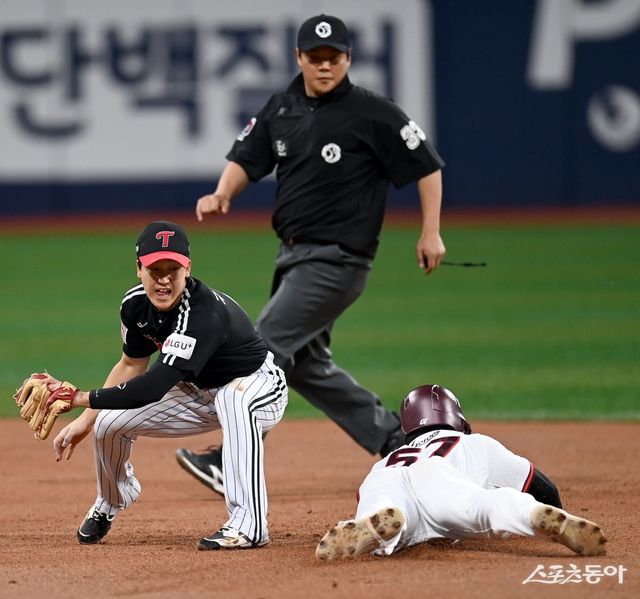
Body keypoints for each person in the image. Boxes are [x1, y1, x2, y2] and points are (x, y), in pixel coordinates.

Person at [176, 13, 446, 495]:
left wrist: (431, 232)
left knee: (260, 348)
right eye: (315, 57)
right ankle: (396, 440)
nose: (325, 65)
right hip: (293, 258)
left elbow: (426, 165)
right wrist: (222, 193)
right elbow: (247, 156)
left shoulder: (373, 112)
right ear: (299, 57)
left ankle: (229, 459)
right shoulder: (282, 107)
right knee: (305, 366)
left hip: (339, 260)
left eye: (333, 57)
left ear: (348, 59)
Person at [52, 220, 288, 550]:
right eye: (155, 269)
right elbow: (132, 365)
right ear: (139, 269)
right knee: (108, 424)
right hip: (194, 390)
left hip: (257, 386)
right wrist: (87, 419)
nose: (163, 279)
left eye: (172, 269)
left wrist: (79, 397)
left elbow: (152, 387)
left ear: (187, 269)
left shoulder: (202, 314)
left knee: (232, 400)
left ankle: (250, 525)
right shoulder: (134, 305)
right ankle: (112, 499)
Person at [315, 384, 607, 560]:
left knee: (384, 510)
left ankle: (374, 523)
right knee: (487, 505)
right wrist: (553, 509)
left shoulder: (386, 460)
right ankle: (531, 515)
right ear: (456, 417)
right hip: (439, 479)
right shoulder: (474, 443)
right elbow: (543, 487)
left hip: (387, 478)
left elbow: (365, 491)